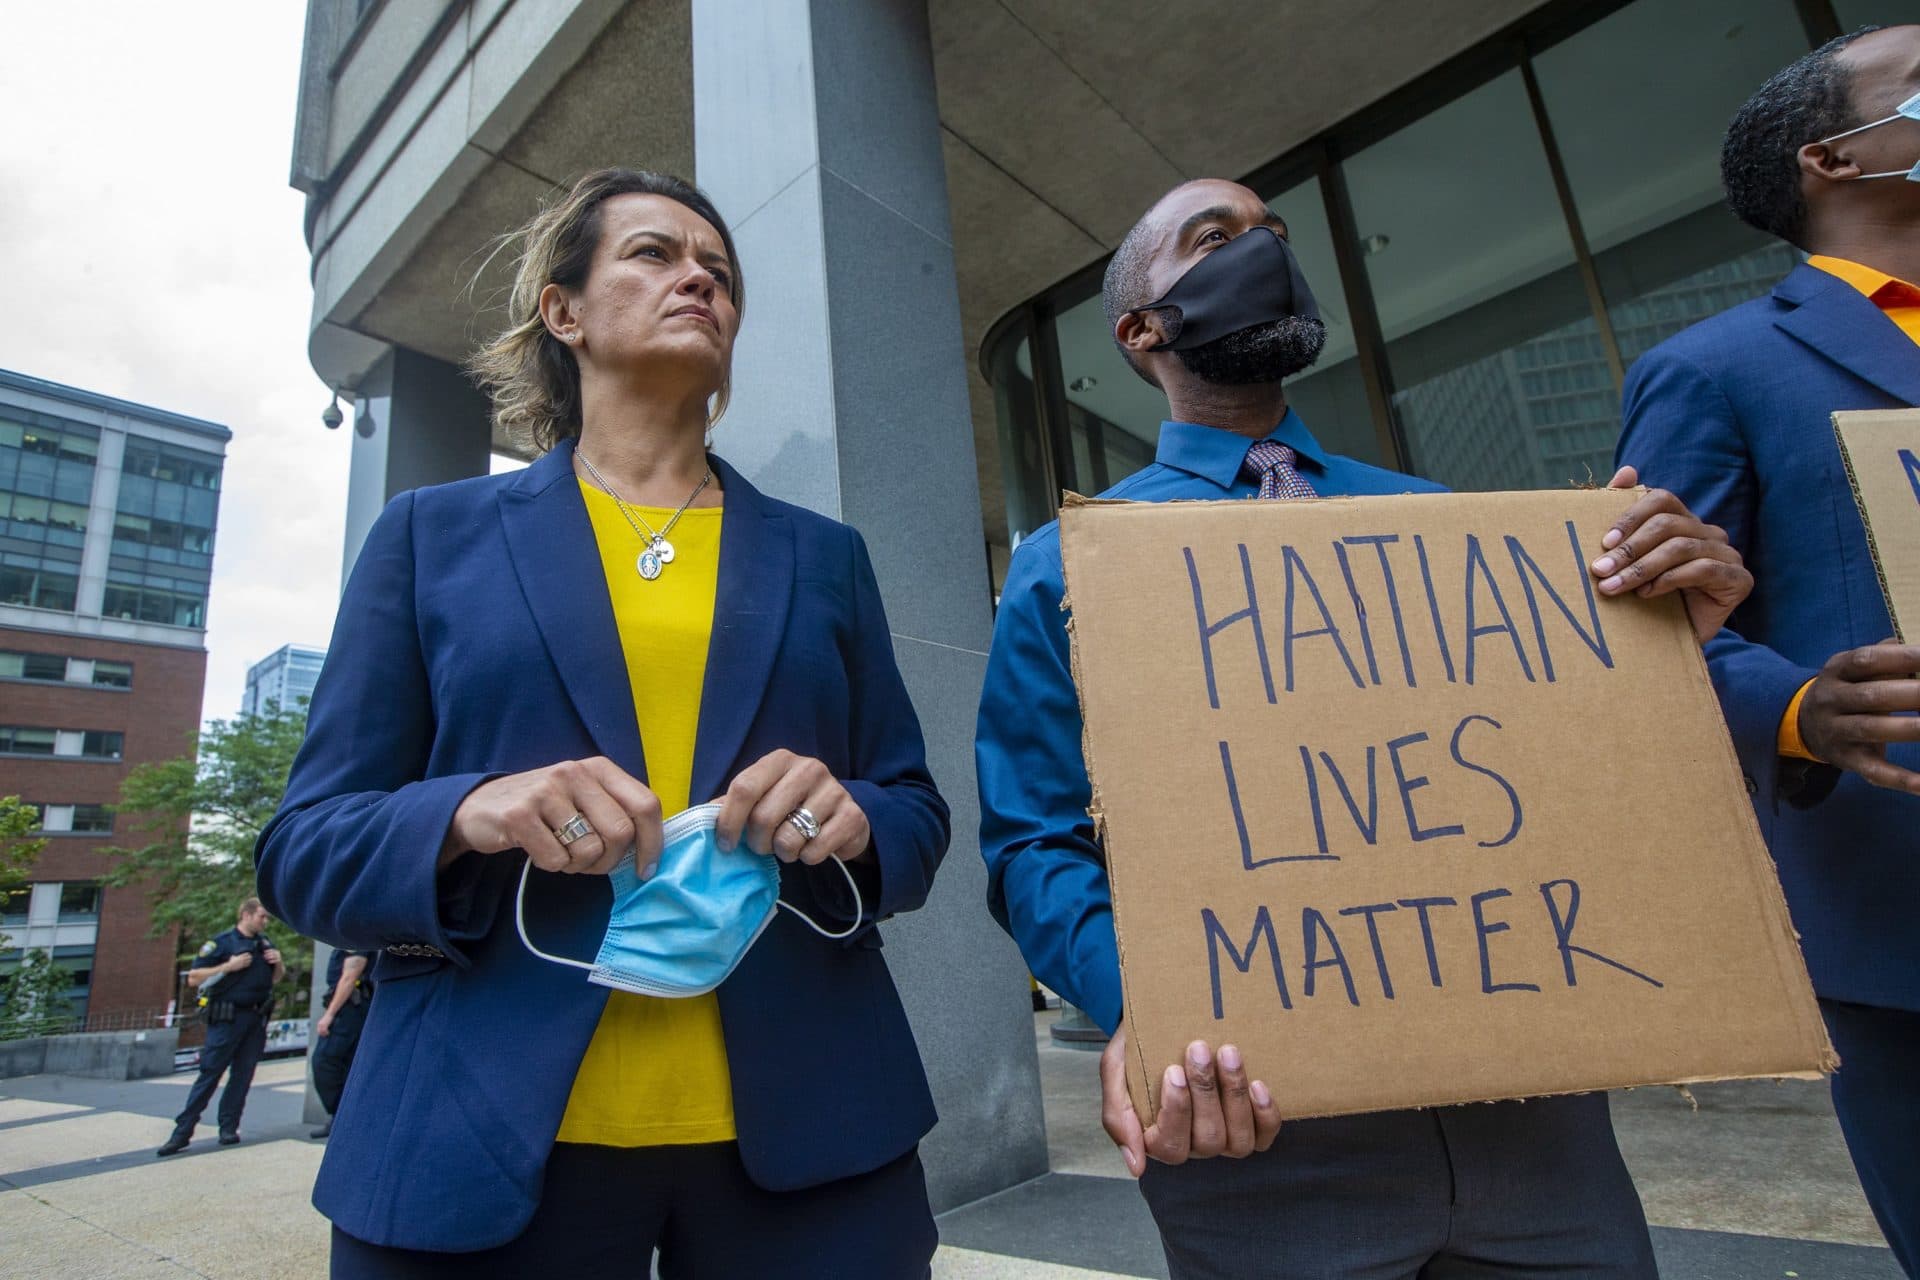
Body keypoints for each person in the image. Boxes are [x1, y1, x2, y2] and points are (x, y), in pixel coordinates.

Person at [977, 178, 1757, 1279]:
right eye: (1217, 238)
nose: (1265, 249)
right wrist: (1150, 1012)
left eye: (1276, 234)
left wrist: (1671, 662)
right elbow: (1033, 842)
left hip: (1536, 1133)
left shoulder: (1442, 521)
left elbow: (1570, 787)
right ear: (1139, 329)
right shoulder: (1074, 562)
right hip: (1261, 1138)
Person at [256, 168, 948, 1276]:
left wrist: (855, 818)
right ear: (562, 310)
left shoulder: (827, 557)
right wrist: (470, 810)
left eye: (718, 271)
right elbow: (303, 847)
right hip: (478, 1134)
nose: (699, 279)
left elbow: (915, 811)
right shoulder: (431, 535)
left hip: (811, 1136)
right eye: (655, 254)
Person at [1614, 25, 1920, 1276]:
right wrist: (1801, 708)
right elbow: (1648, 629)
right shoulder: (1716, 369)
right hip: (1898, 899)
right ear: (1835, 158)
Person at [157, 897, 285, 1156]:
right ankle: (182, 1132)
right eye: (262, 916)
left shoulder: (264, 944)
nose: (266, 921)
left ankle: (229, 1128)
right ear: (246, 915)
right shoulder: (222, 943)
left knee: (242, 1077)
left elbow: (275, 979)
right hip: (227, 1019)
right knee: (210, 1074)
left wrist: (279, 963)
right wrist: (229, 965)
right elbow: (194, 979)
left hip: (255, 1019)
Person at [308, 947, 370, 1140]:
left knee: (325, 1063)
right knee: (345, 1067)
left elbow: (349, 978)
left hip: (350, 1012)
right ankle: (342, 1118)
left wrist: (329, 1015)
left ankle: (344, 1116)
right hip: (350, 1012)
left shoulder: (355, 934)